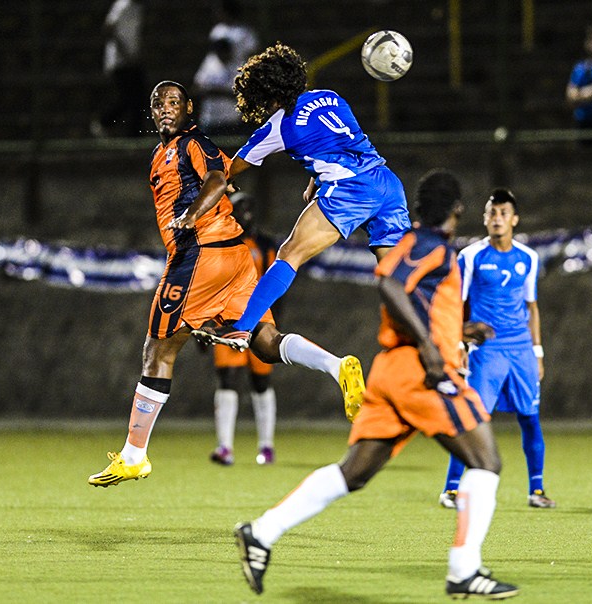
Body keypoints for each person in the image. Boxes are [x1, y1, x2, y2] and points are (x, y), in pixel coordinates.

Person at [232, 169, 520, 599]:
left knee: (355, 472)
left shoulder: (408, 241)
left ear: (419, 208)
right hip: (419, 375)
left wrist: (459, 329)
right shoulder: (433, 247)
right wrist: (429, 345)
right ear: (458, 210)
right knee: (486, 462)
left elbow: (415, 295)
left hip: (389, 372)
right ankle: (465, 569)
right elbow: (390, 283)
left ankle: (261, 532)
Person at [88, 81, 365, 487]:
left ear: (189, 108)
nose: (165, 109)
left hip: (201, 254)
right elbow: (222, 176)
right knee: (264, 341)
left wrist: (190, 216)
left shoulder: (190, 143)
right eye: (158, 103)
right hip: (234, 258)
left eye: (173, 102)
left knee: (158, 348)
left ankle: (134, 455)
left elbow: (217, 180)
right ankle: (336, 365)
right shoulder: (166, 152)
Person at [191, 43, 412, 352]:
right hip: (387, 185)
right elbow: (335, 142)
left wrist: (213, 184)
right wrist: (315, 180)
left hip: (349, 191)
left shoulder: (278, 126)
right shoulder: (330, 97)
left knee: (289, 253)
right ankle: (437, 337)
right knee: (397, 280)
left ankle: (241, 329)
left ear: (266, 93)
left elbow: (231, 168)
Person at [438, 189, 556, 511]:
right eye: (492, 213)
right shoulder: (472, 256)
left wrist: (538, 351)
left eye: (503, 213)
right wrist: (459, 344)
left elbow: (532, 307)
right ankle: (451, 489)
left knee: (530, 419)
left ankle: (537, 489)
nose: (497, 218)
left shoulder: (528, 258)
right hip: (486, 351)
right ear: (486, 219)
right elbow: (457, 304)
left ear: (514, 219)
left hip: (521, 351)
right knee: (471, 418)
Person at [206, 191, 280, 466]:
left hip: (260, 321)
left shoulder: (264, 243)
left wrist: (275, 323)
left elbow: (275, 286)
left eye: (249, 207)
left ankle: (266, 445)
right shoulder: (220, 242)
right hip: (227, 321)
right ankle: (225, 446)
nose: (246, 213)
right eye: (240, 208)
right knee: (227, 378)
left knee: (260, 382)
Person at [191, 1, 259, 136]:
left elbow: (252, 54)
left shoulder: (244, 32)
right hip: (211, 117)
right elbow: (197, 87)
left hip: (235, 72)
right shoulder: (217, 32)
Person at [94, 0, 147, 137]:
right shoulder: (123, 4)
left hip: (132, 60)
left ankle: (134, 135)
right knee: (129, 97)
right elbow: (108, 27)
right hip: (120, 61)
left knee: (140, 97)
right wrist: (124, 52)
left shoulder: (138, 7)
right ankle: (104, 123)